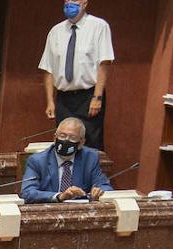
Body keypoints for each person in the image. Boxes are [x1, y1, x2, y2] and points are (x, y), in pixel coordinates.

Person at [40, 0, 113, 150]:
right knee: (64, 143)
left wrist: (97, 97)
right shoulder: (56, 31)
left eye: (73, 2)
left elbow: (104, 63)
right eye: (66, 2)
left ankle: (87, 174)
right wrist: (50, 101)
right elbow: (48, 69)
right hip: (64, 98)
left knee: (90, 142)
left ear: (84, 3)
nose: (69, 5)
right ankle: (66, 174)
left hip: (88, 96)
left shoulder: (98, 26)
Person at [20, 117, 111, 203]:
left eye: (73, 138)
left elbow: (106, 187)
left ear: (81, 143)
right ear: (55, 138)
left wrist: (99, 191)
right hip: (48, 212)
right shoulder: (37, 161)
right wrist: (60, 196)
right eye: (62, 136)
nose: (66, 141)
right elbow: (27, 193)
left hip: (81, 212)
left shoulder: (90, 158)